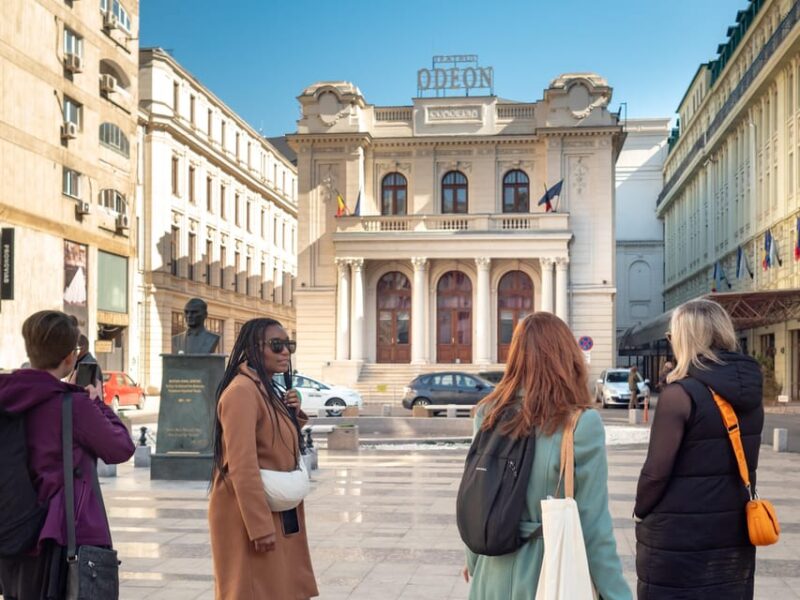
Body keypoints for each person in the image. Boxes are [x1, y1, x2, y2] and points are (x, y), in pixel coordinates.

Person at [462, 312, 631, 600]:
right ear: (568, 357)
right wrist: (617, 594)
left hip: (491, 576)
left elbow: (478, 499)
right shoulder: (580, 424)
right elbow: (593, 524)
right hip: (549, 574)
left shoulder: (488, 414)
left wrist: (475, 564)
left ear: (516, 357)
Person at [0, 310, 135, 599]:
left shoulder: (6, 395)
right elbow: (121, 448)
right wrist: (98, 404)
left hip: (11, 529)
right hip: (61, 533)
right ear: (70, 358)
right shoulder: (73, 406)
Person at [635, 298, 763, 599]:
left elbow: (655, 473)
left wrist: (641, 511)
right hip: (733, 531)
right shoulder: (750, 390)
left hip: (678, 536)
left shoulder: (680, 394)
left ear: (686, 338)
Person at [208, 318, 318, 599]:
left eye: (288, 345)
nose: (285, 353)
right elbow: (241, 464)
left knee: (281, 587)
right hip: (248, 512)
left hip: (274, 507)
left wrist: (293, 413)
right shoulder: (242, 392)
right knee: (254, 589)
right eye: (277, 345)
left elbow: (274, 443)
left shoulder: (265, 388)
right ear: (253, 349)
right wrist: (259, 527)